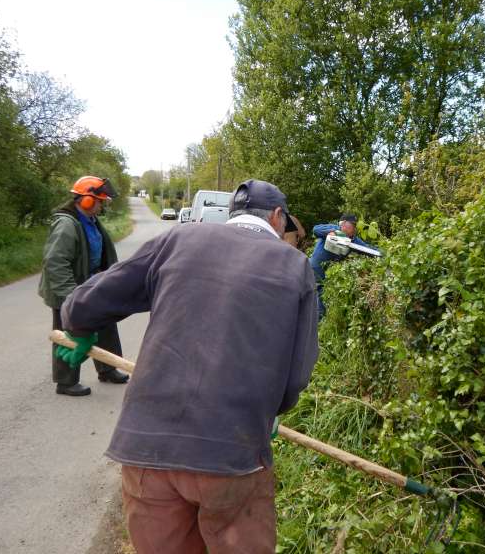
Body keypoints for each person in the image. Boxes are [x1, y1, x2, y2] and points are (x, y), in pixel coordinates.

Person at [57, 179, 319, 554]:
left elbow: (89, 300)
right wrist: (272, 411)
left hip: (147, 450)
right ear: (278, 216)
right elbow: (297, 371)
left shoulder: (178, 239)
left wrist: (79, 327)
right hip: (232, 454)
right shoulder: (295, 266)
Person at [38, 176, 129, 396]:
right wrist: (70, 296)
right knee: (68, 333)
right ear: (86, 200)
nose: (102, 206)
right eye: (100, 201)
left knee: (106, 324)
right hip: (68, 288)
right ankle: (66, 382)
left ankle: (108, 368)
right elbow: (55, 262)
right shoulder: (66, 224)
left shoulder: (90, 220)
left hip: (90, 284)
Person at [309, 213, 375, 318]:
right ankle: (318, 320)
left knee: (323, 295)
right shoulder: (334, 228)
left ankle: (321, 318)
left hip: (328, 271)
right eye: (352, 225)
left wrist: (383, 253)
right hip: (316, 267)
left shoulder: (353, 240)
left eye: (355, 225)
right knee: (320, 293)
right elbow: (316, 229)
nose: (354, 228)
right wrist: (330, 232)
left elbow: (367, 249)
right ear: (343, 223)